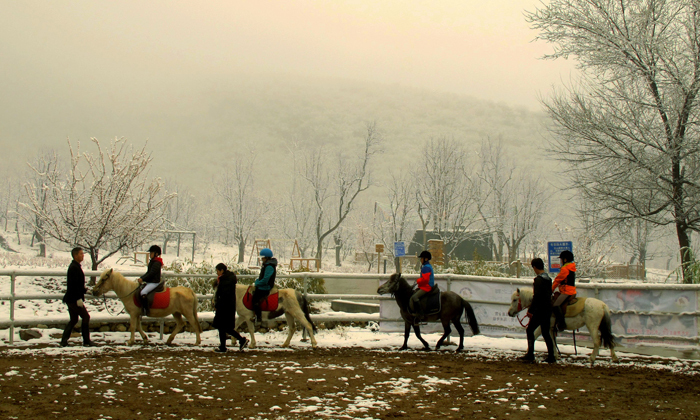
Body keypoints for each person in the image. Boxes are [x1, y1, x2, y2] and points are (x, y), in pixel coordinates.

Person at [520, 258, 556, 363]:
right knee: (545, 332)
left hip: (539, 310)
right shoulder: (548, 279)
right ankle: (551, 356)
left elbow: (537, 297)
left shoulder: (538, 280)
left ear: (535, 267)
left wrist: (531, 310)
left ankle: (530, 354)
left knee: (530, 330)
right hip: (547, 309)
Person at [212, 263, 249, 353]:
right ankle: (227, 345)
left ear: (222, 271)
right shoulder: (228, 279)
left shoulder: (225, 281)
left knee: (223, 327)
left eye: (217, 271)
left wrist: (217, 305)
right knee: (225, 327)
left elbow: (223, 295)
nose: (216, 273)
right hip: (228, 306)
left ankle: (238, 341)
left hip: (224, 306)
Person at [61, 247, 93, 347]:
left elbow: (78, 285)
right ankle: (86, 341)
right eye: (80, 254)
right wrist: (78, 298)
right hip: (73, 298)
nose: (83, 255)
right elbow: (74, 285)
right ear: (75, 255)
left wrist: (86, 290)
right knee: (86, 317)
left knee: (74, 320)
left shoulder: (75, 266)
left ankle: (64, 341)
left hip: (71, 298)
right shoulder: (74, 268)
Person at [552, 250, 577, 331]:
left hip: (567, 292)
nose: (561, 261)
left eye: (561, 259)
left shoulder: (565, 269)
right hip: (571, 290)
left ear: (565, 260)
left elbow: (557, 280)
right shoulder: (571, 267)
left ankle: (562, 324)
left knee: (556, 305)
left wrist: (551, 290)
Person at [136, 245, 164, 316]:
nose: (150, 254)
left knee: (143, 292)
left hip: (154, 282)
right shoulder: (153, 262)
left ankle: (146, 310)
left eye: (151, 253)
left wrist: (143, 279)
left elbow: (151, 273)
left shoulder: (157, 263)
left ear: (156, 254)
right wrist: (142, 278)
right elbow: (148, 272)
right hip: (150, 282)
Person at [253, 248, 277, 325]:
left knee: (255, 301)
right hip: (263, 285)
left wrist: (257, 283)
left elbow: (265, 279)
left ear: (266, 257)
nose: (261, 259)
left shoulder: (269, 266)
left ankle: (258, 317)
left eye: (262, 257)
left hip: (265, 287)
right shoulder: (266, 265)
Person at [409, 250, 434, 323]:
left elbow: (425, 279)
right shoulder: (426, 266)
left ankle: (420, 314)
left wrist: (418, 281)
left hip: (427, 287)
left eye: (421, 258)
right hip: (425, 286)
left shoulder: (426, 267)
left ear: (426, 259)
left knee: (414, 297)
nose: (420, 260)